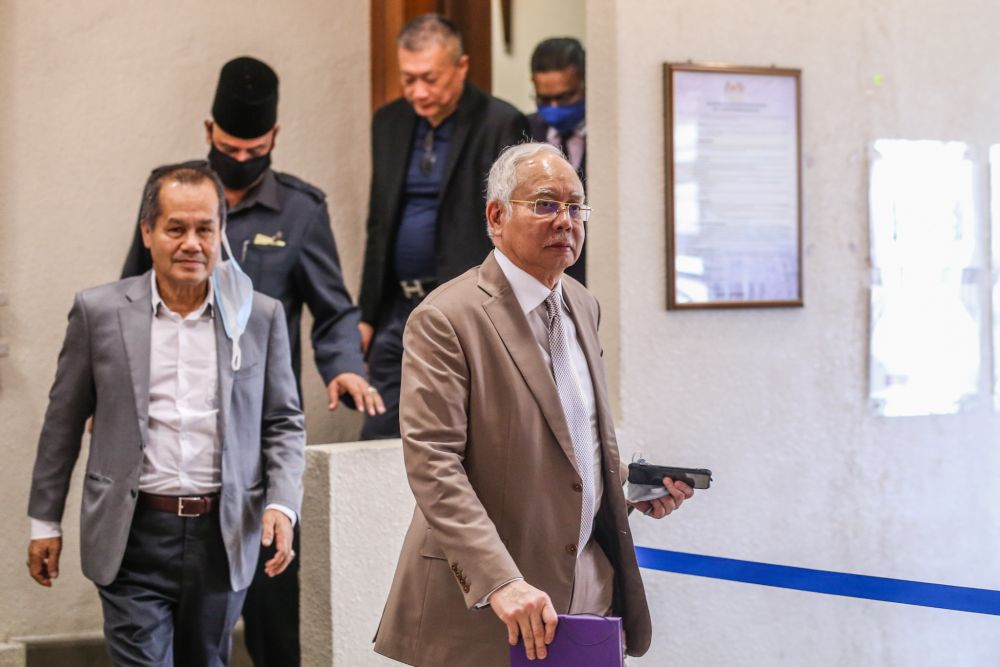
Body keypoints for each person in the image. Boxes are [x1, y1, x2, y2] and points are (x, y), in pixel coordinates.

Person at [373, 143, 694, 665]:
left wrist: (626, 489)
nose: (565, 221)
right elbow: (434, 465)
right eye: (545, 204)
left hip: (586, 594)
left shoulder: (582, 305)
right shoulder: (447, 317)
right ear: (496, 217)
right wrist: (500, 581)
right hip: (489, 606)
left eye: (575, 207)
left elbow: (573, 439)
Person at [119, 56, 382, 666]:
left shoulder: (300, 210)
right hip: (174, 432)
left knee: (272, 592)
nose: (241, 157)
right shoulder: (173, 197)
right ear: (208, 131)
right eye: (230, 146)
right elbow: (129, 297)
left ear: (275, 139)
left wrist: (343, 364)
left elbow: (334, 308)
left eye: (254, 147)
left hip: (257, 427)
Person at [27, 162, 305, 666]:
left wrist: (282, 503)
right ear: (148, 232)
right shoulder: (99, 313)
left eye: (206, 228)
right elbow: (62, 422)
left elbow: (284, 421)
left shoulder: (258, 316)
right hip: (131, 533)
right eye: (176, 228)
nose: (192, 243)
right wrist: (44, 521)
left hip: (221, 534)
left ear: (221, 233)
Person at [358, 14, 529, 439]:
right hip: (398, 307)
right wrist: (365, 315)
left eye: (430, 78)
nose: (418, 92)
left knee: (454, 435)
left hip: (464, 308)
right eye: (408, 78)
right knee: (378, 434)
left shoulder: (499, 122)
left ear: (461, 67)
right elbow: (379, 222)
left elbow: (510, 228)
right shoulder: (389, 122)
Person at [527, 37, 587, 284]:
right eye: (544, 99)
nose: (553, 107)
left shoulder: (612, 138)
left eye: (564, 97)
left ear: (584, 85)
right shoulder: (523, 131)